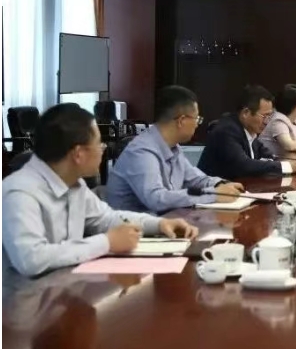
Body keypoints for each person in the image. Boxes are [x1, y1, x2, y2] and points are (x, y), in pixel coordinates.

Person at [2, 104, 198, 276]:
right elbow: (32, 259)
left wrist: (160, 224)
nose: (103, 148)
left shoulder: (74, 185)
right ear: (78, 154)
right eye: (98, 143)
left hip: (64, 288)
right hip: (22, 301)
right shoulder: (20, 192)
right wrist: (106, 243)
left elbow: (107, 219)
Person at [106, 86, 243, 214]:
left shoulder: (173, 148)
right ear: (181, 121)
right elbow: (156, 199)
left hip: (165, 222)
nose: (197, 125)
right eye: (197, 119)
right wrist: (213, 195)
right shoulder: (141, 151)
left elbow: (194, 179)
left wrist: (221, 184)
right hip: (134, 228)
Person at [197, 85, 296, 179]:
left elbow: (269, 156)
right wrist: (285, 166)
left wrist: (290, 163)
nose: (267, 122)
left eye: (270, 116)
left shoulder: (250, 131)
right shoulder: (227, 131)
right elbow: (243, 165)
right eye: (264, 116)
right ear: (245, 113)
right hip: (213, 191)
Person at [259, 84, 296, 156]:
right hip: (266, 160)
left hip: (284, 159)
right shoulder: (278, 120)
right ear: (290, 103)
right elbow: (289, 145)